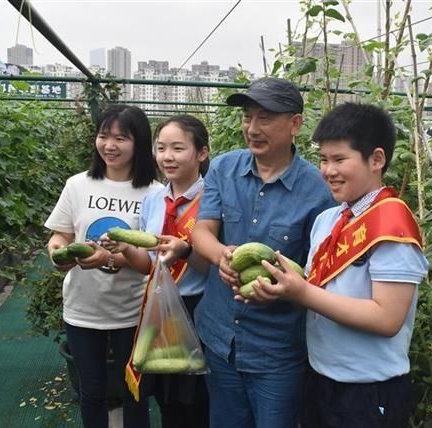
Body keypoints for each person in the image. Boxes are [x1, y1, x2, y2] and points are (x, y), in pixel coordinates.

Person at [249, 102, 429, 428]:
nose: (328, 170)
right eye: (323, 159)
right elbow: (321, 288)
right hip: (320, 377)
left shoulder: (393, 226)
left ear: (376, 159)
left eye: (339, 159)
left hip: (369, 390)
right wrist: (277, 288)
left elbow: (387, 318)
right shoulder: (328, 220)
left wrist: (302, 294)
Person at [192, 77, 336, 427]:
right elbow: (202, 230)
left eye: (265, 118)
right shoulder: (224, 168)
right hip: (220, 335)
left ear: (295, 124)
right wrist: (220, 255)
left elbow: (320, 268)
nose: (252, 128)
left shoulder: (320, 190)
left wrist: (286, 287)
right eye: (247, 117)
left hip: (277, 349)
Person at [45, 104, 162, 428]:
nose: (109, 145)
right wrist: (58, 253)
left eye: (120, 138)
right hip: (84, 308)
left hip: (133, 309)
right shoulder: (77, 185)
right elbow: (61, 235)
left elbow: (153, 255)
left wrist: (109, 258)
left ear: (138, 143)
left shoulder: (154, 193)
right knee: (92, 392)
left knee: (135, 391)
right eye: (103, 136)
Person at [104, 114, 211, 428]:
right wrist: (125, 249)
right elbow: (148, 265)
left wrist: (186, 252)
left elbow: (214, 265)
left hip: (197, 310)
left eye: (178, 148)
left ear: (202, 152)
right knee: (167, 401)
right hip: (158, 310)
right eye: (161, 148)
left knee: (198, 401)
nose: (167, 156)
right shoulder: (153, 200)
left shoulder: (213, 200)